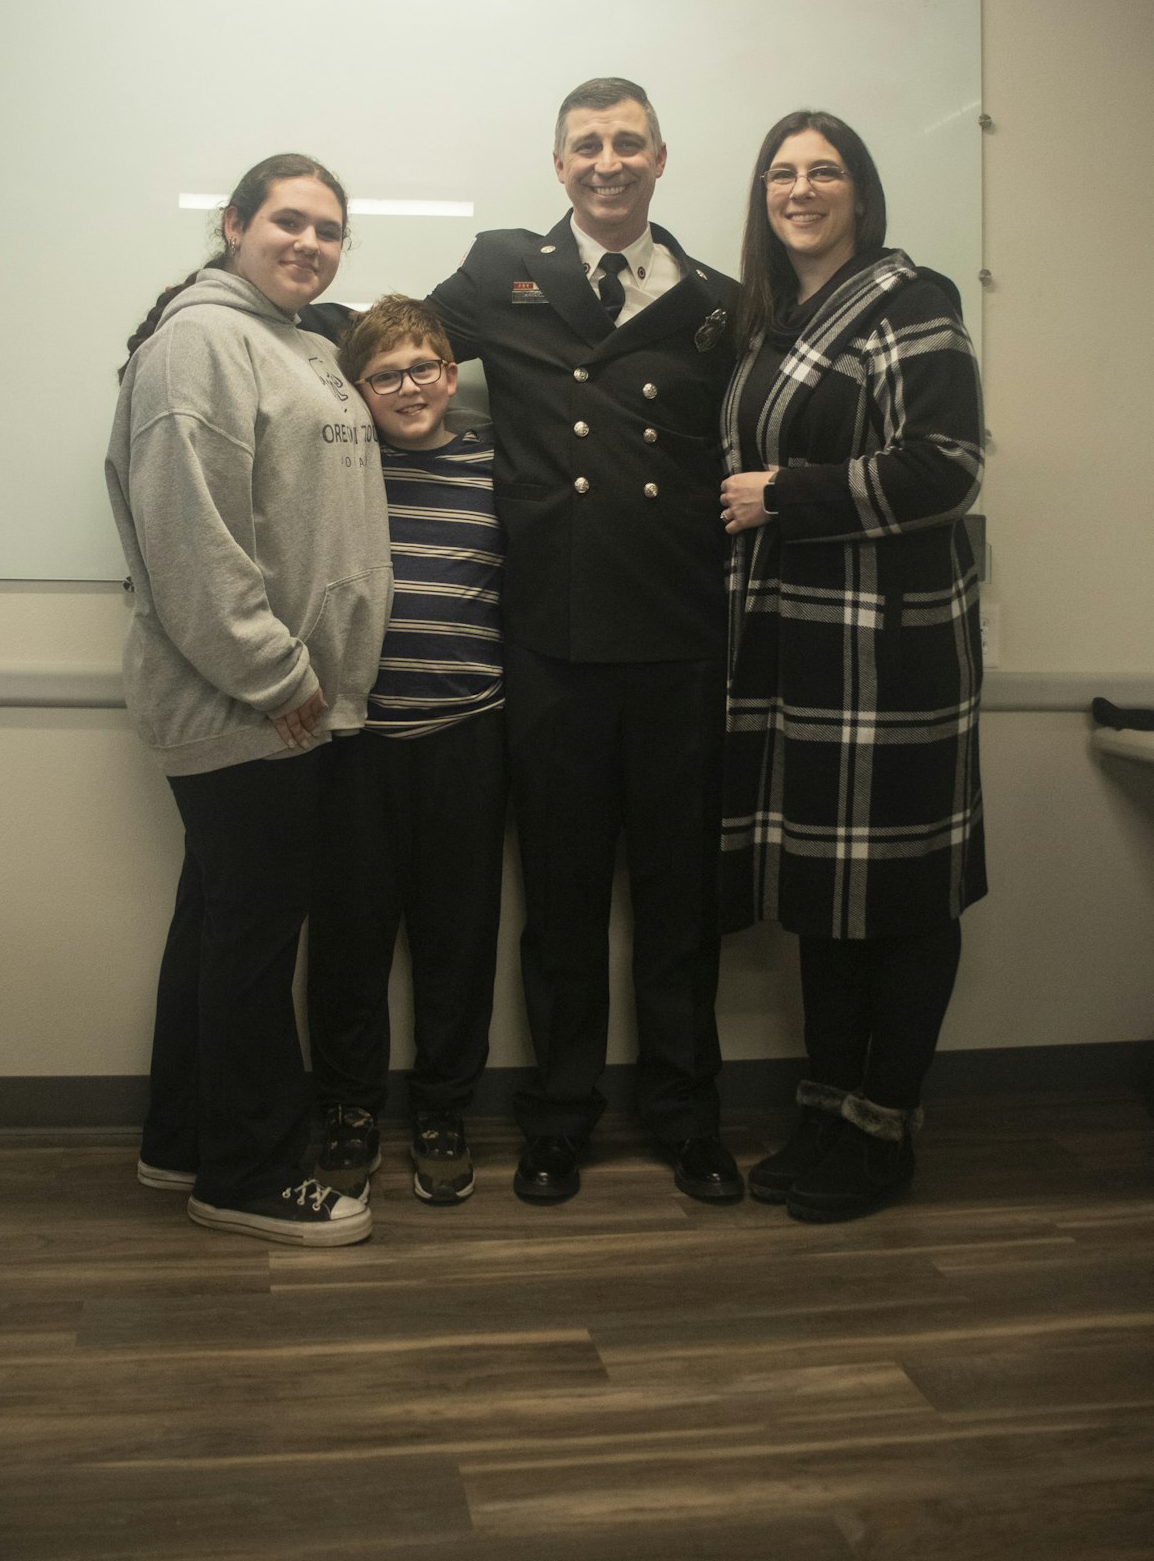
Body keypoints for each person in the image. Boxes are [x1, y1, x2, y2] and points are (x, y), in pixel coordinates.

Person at [428, 76, 743, 1207]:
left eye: (626, 143)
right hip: (548, 644)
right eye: (584, 145)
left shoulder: (717, 300)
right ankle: (557, 1117)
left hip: (675, 641)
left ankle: (683, 1112)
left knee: (675, 903)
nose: (605, 161)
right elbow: (395, 347)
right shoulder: (497, 269)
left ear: (661, 158)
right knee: (559, 904)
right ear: (557, 165)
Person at [105, 153, 393, 1247]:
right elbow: (190, 539)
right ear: (233, 223)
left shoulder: (308, 345)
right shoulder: (197, 342)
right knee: (256, 937)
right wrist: (278, 675)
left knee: (223, 921)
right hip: (252, 703)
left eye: (328, 228)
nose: (309, 242)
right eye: (287, 219)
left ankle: (182, 1134)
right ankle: (249, 1172)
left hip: (297, 703)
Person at [718, 110, 987, 1223]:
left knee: (903, 899)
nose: (799, 187)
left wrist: (782, 492)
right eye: (781, 171)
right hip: (801, 649)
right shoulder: (773, 325)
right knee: (824, 896)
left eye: (822, 170)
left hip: (893, 654)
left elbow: (945, 465)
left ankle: (885, 1124)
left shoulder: (911, 301)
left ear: (859, 193)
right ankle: (825, 1111)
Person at [305, 294, 507, 1207]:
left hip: (469, 735)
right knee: (349, 941)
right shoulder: (342, 475)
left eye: (423, 367)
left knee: (456, 941)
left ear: (451, 374)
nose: (408, 386)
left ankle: (442, 1111)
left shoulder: (497, 468)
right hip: (359, 745)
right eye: (384, 375)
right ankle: (348, 1111)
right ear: (359, 392)